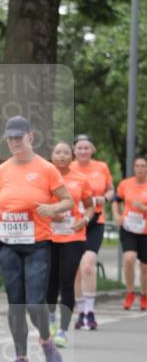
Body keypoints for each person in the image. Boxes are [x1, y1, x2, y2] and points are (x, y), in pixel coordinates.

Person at [0, 116, 73, 362]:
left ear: (30, 137)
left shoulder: (46, 169)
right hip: (8, 245)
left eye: (18, 138)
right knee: (15, 304)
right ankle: (21, 359)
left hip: (37, 245)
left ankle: (46, 340)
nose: (14, 142)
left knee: (35, 304)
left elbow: (67, 201)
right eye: (10, 138)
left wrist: (53, 207)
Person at [46, 142, 94, 347]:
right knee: (50, 283)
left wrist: (86, 219)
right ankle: (50, 321)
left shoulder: (80, 180)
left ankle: (63, 331)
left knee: (67, 280)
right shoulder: (44, 178)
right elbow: (34, 204)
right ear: (52, 155)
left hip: (73, 237)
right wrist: (50, 216)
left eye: (66, 152)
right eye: (58, 152)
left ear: (71, 156)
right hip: (48, 236)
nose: (62, 155)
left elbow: (91, 207)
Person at [71, 135, 114, 330]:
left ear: (92, 150)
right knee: (77, 271)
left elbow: (111, 190)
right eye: (79, 148)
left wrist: (105, 197)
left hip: (96, 220)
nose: (83, 151)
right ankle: (80, 313)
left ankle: (90, 311)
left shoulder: (101, 167)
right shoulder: (67, 168)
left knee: (88, 264)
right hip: (75, 221)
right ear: (74, 150)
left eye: (87, 148)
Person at [112, 156, 147, 311]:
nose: (140, 168)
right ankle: (130, 292)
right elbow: (116, 200)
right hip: (128, 227)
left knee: (145, 267)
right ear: (133, 168)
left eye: (143, 166)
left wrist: (143, 208)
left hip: (145, 230)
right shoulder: (125, 184)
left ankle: (144, 295)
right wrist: (117, 215)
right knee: (129, 258)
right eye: (137, 165)